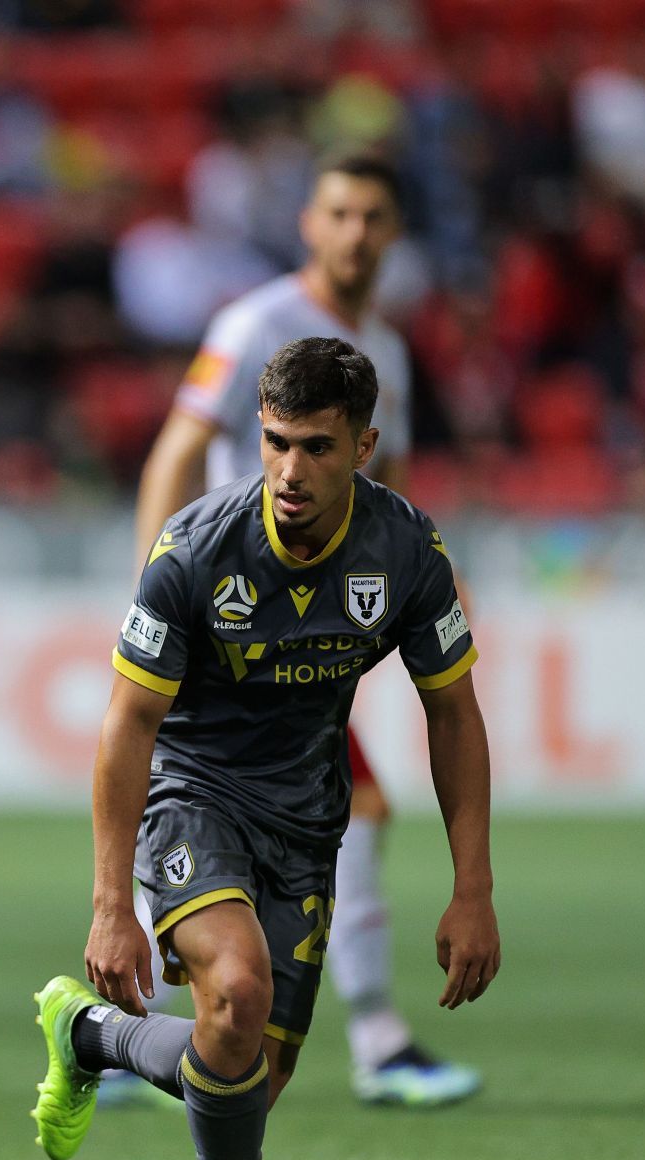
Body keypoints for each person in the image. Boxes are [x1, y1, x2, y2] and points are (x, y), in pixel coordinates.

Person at [33, 338, 501, 1160]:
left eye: (319, 448)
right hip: (193, 798)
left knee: (247, 1072)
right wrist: (109, 903)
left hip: (306, 826)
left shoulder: (408, 551)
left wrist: (473, 889)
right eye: (277, 443)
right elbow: (126, 728)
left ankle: (93, 1039)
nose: (292, 471)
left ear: (364, 445)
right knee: (236, 994)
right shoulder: (197, 551)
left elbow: (452, 711)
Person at [130, 152, 481, 1107]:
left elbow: (388, 501)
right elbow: (179, 448)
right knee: (335, 804)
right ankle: (376, 1037)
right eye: (339, 212)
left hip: (308, 622)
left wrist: (394, 599)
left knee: (271, 805)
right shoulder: (257, 324)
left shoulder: (387, 353)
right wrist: (148, 589)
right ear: (309, 225)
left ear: (394, 232)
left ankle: (121, 1033)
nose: (356, 232)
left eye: (373, 215)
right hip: (225, 616)